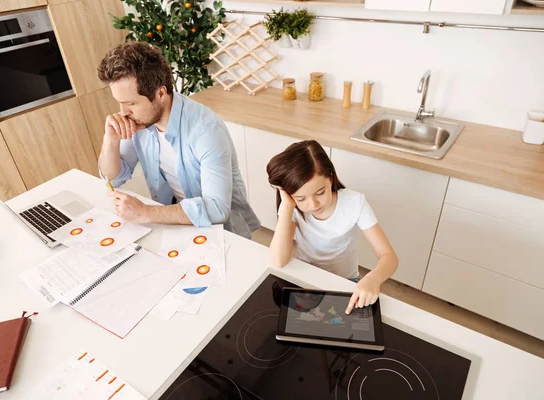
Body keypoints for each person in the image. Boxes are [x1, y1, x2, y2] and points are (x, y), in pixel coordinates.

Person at [96, 41, 259, 239]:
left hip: (224, 233)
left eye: (131, 103)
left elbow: (217, 209)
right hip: (177, 224)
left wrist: (144, 212)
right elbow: (114, 178)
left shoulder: (206, 131)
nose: (123, 113)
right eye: (120, 104)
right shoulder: (140, 121)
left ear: (160, 93)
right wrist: (110, 140)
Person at [266, 140, 398, 314]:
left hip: (346, 281)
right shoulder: (293, 207)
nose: (312, 204)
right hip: (307, 279)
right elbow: (278, 259)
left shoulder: (354, 203)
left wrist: (372, 280)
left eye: (319, 192)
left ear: (331, 177)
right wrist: (287, 206)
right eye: (301, 198)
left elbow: (389, 256)